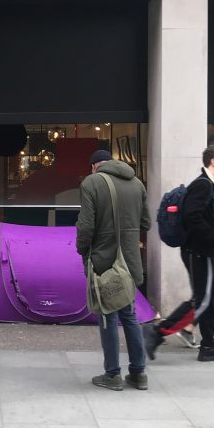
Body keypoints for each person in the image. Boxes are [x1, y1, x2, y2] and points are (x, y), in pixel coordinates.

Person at [144, 144, 214, 362]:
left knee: (211, 299)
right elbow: (192, 216)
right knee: (202, 300)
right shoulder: (202, 186)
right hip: (199, 251)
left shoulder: (212, 186)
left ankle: (208, 345)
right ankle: (157, 332)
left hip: (203, 251)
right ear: (213, 162)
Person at [76, 149, 151, 391]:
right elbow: (146, 223)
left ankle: (112, 374)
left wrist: (82, 250)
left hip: (105, 260)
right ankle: (139, 373)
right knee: (129, 315)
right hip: (129, 262)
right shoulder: (137, 183)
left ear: (94, 166)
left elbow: (86, 226)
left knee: (107, 315)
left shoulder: (92, 183)